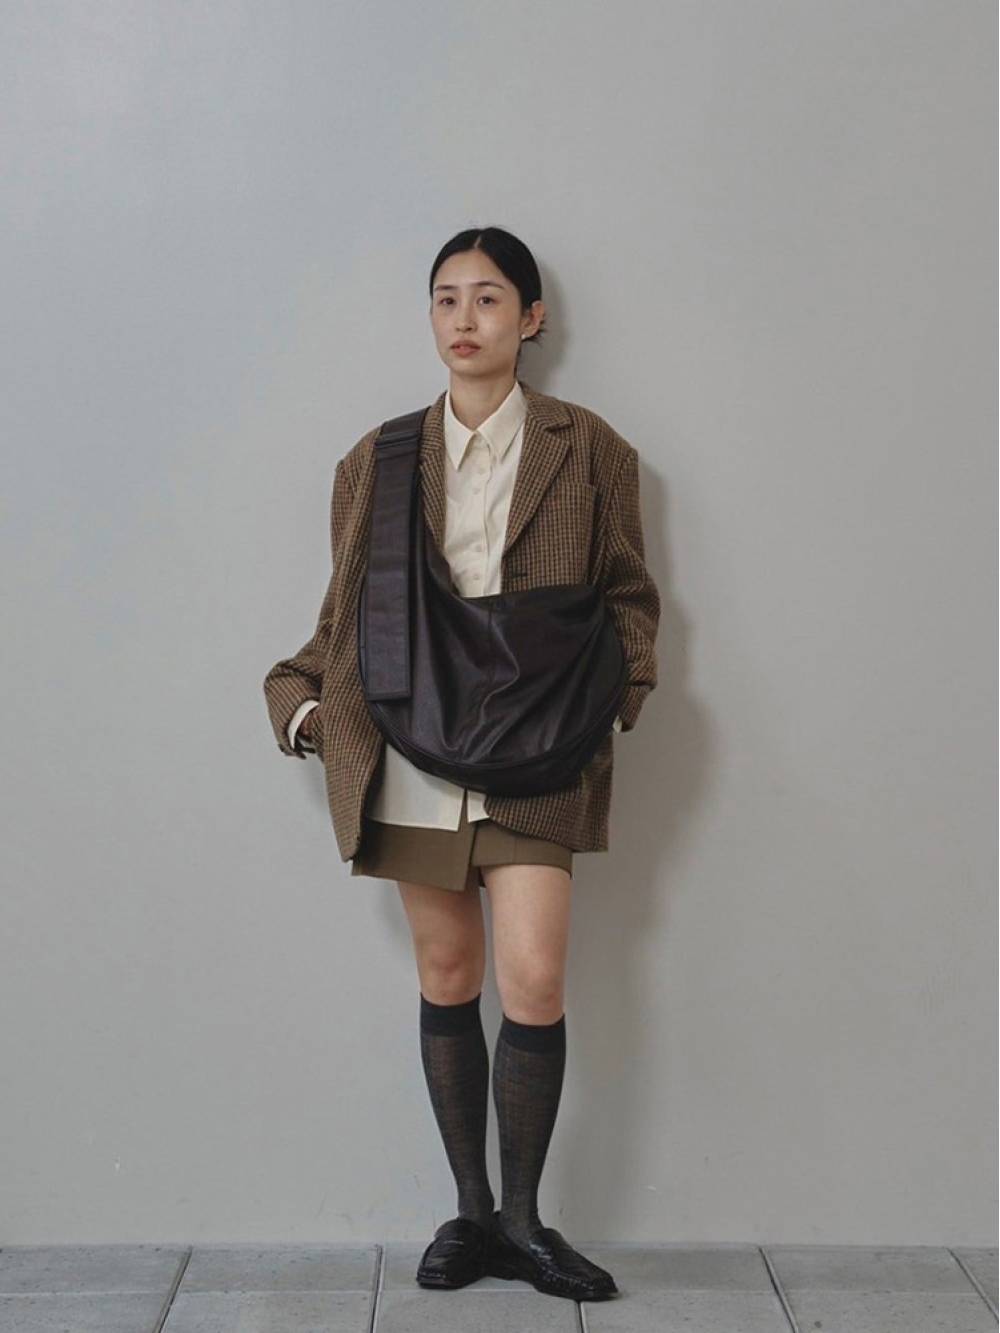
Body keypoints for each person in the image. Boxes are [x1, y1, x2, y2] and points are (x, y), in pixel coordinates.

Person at [267, 225, 660, 1303]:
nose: (464, 319)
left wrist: (610, 705)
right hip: (412, 745)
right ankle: (473, 1212)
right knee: (447, 976)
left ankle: (526, 1222)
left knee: (533, 979)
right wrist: (306, 711)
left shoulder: (591, 448)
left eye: (488, 298)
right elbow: (345, 613)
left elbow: (629, 597)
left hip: (542, 747)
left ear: (530, 319)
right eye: (446, 298)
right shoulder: (380, 457)